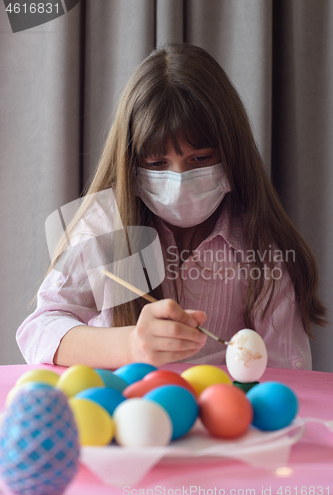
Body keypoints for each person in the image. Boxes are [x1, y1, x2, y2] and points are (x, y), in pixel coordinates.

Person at [17, 43, 327, 370]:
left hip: (220, 417)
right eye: (157, 163)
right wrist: (129, 344)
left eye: (201, 159)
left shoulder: (262, 247)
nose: (180, 179)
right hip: (121, 413)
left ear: (230, 152)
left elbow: (284, 373)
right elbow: (40, 328)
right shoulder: (106, 225)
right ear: (131, 163)